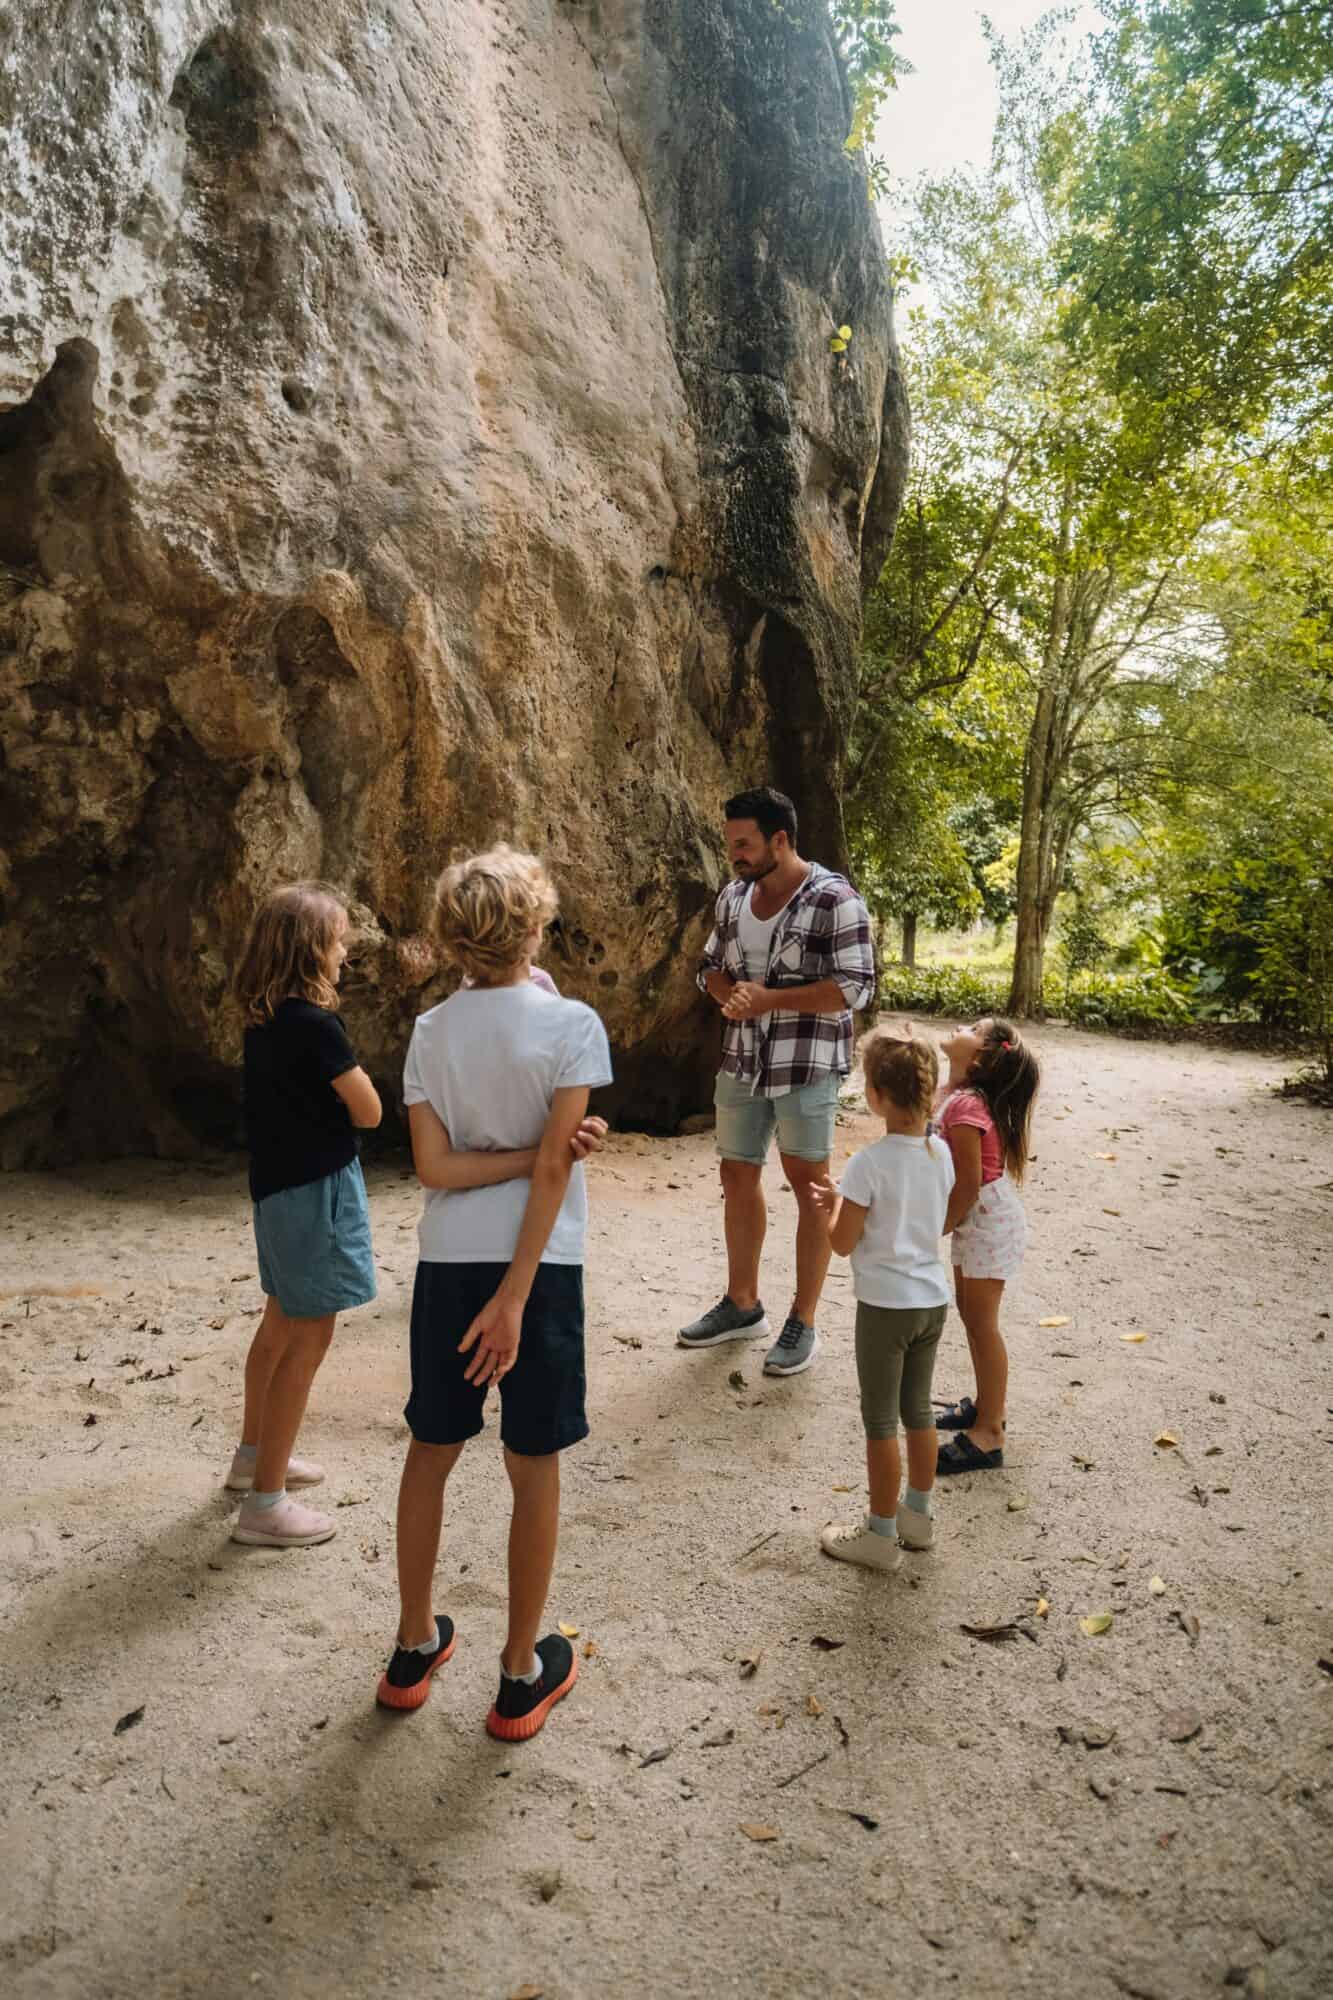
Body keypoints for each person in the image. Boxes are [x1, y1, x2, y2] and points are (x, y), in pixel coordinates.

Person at [376, 846, 613, 1740]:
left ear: (449, 940)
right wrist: (515, 1294)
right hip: (537, 1272)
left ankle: (411, 1647)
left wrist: (529, 1154)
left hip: (447, 1264)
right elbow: (551, 1170)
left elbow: (434, 1166)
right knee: (533, 1461)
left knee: (431, 1448)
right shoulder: (572, 1026)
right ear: (536, 924)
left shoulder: (430, 1034)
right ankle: (520, 1672)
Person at [679, 786, 874, 1377]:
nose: (733, 854)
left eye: (744, 843)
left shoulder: (835, 899)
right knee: (736, 1173)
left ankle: (803, 1320)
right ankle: (742, 1303)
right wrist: (729, 995)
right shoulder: (734, 896)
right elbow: (709, 968)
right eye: (730, 842)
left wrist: (768, 1000)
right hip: (741, 1060)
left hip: (806, 1065)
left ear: (780, 839)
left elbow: (853, 988)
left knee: (809, 1184)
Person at [227, 883, 382, 1549]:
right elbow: (369, 1109)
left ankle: (252, 1457)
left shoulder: (263, 1021)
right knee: (309, 1335)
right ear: (311, 952)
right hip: (317, 1190)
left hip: (276, 1192)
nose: (345, 951)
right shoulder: (317, 1028)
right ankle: (265, 1504)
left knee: (278, 1322)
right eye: (339, 939)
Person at [810, 1028, 955, 1570]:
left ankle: (879, 1534)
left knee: (879, 1423)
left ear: (874, 1094)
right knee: (919, 1411)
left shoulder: (867, 1164)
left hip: (884, 1309)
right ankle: (918, 1517)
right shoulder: (940, 1153)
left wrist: (832, 1206)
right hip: (930, 1301)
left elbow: (842, 1244)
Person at [932, 1018, 1040, 1475]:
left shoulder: (968, 1107)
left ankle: (990, 1432)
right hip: (977, 1219)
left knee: (982, 1323)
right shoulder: (960, 1096)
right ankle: (983, 1405)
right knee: (970, 1314)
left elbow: (970, 1184)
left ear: (980, 1056)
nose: (960, 1026)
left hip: (985, 1219)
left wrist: (940, 1225)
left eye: (971, 1027)